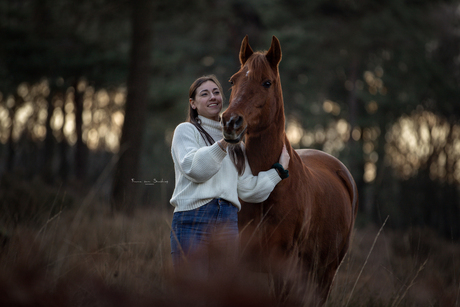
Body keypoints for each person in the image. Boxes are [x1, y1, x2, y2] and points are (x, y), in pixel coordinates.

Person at [169, 75, 290, 274]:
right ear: (193, 103)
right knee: (192, 293)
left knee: (221, 293)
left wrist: (278, 171)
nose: (213, 97)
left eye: (216, 92)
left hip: (227, 222)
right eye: (205, 94)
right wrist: (226, 141)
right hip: (192, 220)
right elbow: (195, 169)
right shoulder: (186, 131)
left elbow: (248, 189)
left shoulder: (237, 147)